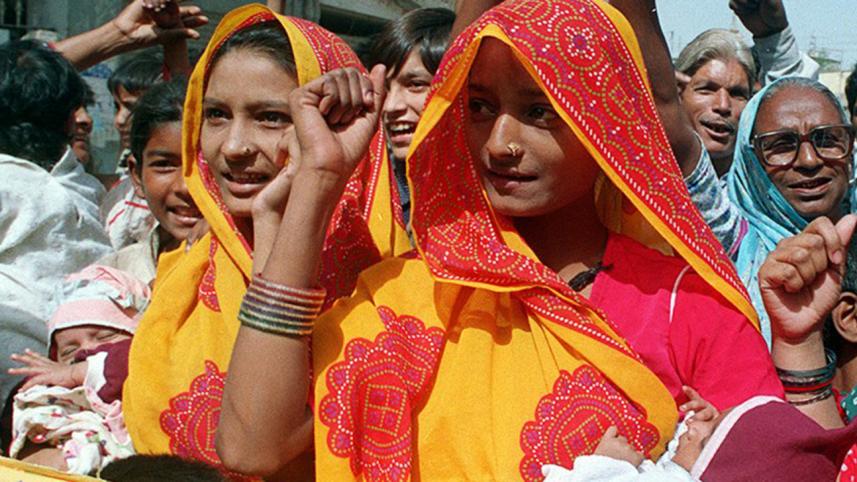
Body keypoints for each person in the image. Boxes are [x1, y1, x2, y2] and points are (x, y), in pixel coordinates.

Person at [216, 0, 783, 478]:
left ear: (606, 122)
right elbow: (251, 446)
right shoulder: (403, 294)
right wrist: (317, 178)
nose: (500, 143)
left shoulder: (690, 308)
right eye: (479, 107)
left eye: (541, 111)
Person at [122, 5, 407, 475]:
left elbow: (255, 449)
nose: (233, 147)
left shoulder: (381, 293)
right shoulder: (187, 275)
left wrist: (310, 189)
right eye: (215, 114)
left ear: (334, 124)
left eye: (271, 117)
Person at [0, 40, 111, 438]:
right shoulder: (8, 178)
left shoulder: (79, 181)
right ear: (69, 116)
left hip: (86, 343)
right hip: (18, 340)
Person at [7, 265, 148, 474]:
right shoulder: (57, 389)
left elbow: (142, 358)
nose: (86, 351)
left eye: (105, 337)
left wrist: (78, 372)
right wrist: (30, 452)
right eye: (69, 350)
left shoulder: (151, 358)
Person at [674, 0, 819, 179]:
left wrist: (775, 37)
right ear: (678, 94)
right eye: (707, 90)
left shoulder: (762, 186)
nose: (723, 105)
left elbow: (797, 107)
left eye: (737, 94)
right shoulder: (641, 173)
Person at [97, 77, 201, 286]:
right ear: (136, 175)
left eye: (203, 166)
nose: (185, 187)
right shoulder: (114, 277)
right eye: (164, 165)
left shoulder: (258, 265)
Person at [366, 7, 455, 225]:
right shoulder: (368, 201)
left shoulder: (504, 199)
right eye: (384, 89)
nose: (390, 106)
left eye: (415, 85)